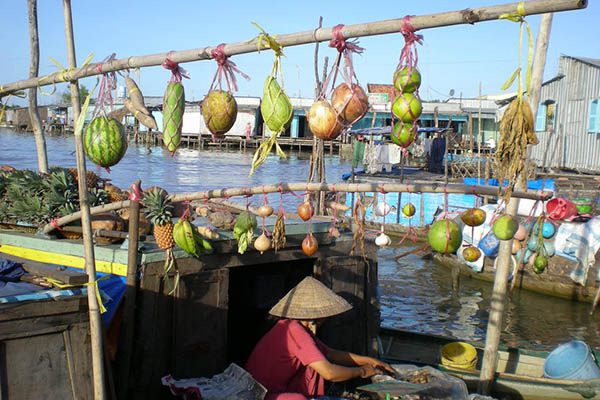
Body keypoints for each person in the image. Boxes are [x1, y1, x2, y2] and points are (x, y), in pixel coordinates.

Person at [245, 276, 395, 400]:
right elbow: (329, 373)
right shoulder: (294, 331)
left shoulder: (293, 326)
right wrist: (362, 372)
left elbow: (330, 354)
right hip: (259, 395)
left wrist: (371, 361)